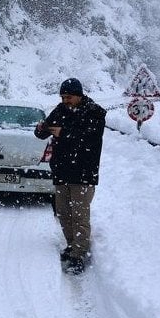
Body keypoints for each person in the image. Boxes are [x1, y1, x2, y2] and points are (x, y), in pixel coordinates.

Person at [35, 77, 106, 275]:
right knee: (63, 213)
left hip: (83, 173)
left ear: (79, 95)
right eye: (63, 97)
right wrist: (41, 129)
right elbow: (44, 132)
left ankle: (79, 255)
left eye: (69, 97)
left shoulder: (94, 112)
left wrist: (63, 133)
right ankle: (72, 246)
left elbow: (90, 138)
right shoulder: (59, 110)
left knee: (80, 215)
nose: (65, 100)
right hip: (61, 171)